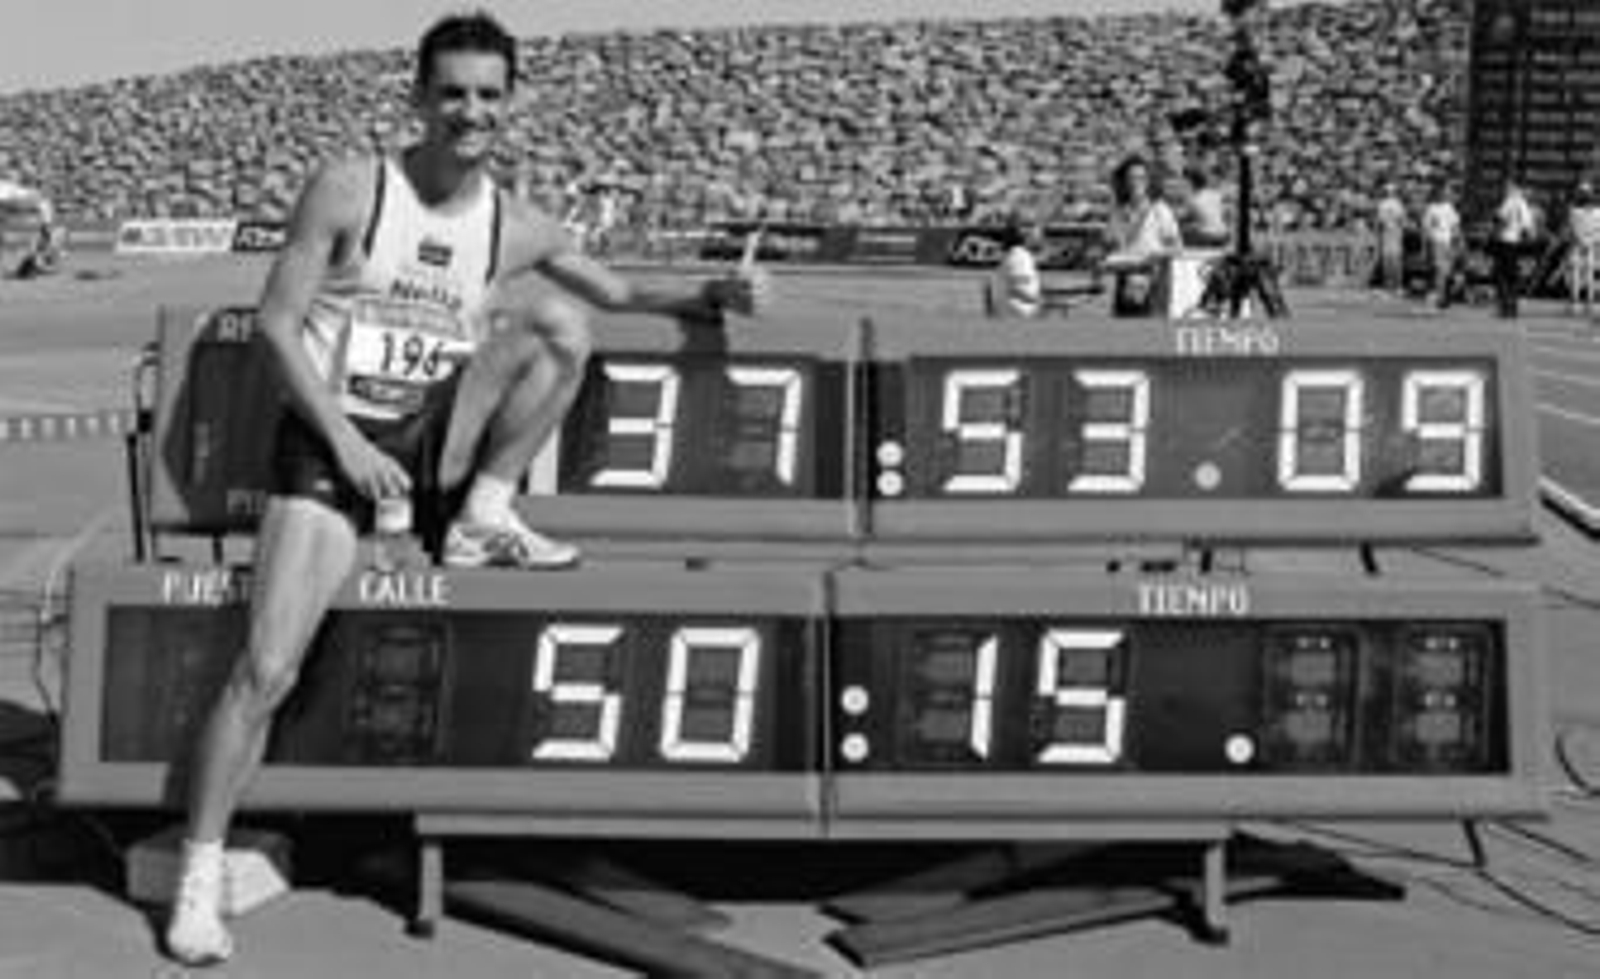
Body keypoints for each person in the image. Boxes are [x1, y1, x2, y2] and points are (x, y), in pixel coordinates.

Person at [162, 12, 770, 966]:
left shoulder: (514, 221)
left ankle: (485, 508)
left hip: (428, 450)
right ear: (418, 96)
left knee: (561, 324)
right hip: (332, 453)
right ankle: (200, 873)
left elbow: (610, 293)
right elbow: (278, 328)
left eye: (488, 95)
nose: (469, 112)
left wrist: (704, 299)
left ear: (509, 103)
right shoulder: (352, 189)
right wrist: (347, 447)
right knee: (267, 669)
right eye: (452, 93)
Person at [1102, 154, 1183, 316]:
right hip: (1124, 279)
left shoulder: (1159, 210)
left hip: (1152, 280)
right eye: (1131, 178)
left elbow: (1177, 247)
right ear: (1123, 181)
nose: (1136, 183)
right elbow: (1110, 244)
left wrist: (1154, 255)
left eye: (1141, 178)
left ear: (1149, 181)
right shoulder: (1118, 212)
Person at [1492, 178, 1536, 318]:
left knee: (1503, 275)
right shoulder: (1521, 202)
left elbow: (1501, 218)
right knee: (1512, 275)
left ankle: (1505, 305)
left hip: (1505, 240)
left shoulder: (1510, 201)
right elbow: (1527, 224)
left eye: (1507, 188)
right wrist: (1527, 235)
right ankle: (1512, 306)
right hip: (1515, 241)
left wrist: (1497, 226)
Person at [988, 220, 1044, 318]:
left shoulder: (1014, 255)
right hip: (1018, 314)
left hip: (1010, 313)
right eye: (1036, 235)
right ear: (1025, 238)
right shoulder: (1020, 256)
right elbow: (1018, 289)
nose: (1041, 238)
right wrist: (1042, 302)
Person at [1420, 183, 1462, 309]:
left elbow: (1455, 226)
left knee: (1446, 272)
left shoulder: (1450, 208)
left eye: (1447, 193)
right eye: (1444, 192)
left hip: (1447, 243)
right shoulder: (1431, 208)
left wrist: (1458, 242)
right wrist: (1424, 245)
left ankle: (1443, 296)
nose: (1445, 195)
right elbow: (1425, 228)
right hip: (1436, 242)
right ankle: (1439, 297)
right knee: (1439, 271)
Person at [1566, 180, 1600, 316]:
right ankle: (1588, 303)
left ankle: (1578, 304)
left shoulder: (1573, 211)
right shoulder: (1597, 211)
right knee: (1587, 275)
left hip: (1579, 245)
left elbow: (1572, 230)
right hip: (1589, 245)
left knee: (1578, 275)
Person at [1182, 162, 1230, 249]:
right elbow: (1221, 214)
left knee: (1183, 231)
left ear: (1191, 184)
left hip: (1208, 237)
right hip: (1224, 235)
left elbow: (1183, 217)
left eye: (1186, 184)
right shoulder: (1216, 194)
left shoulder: (1192, 199)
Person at [1375, 184, 1407, 292]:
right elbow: (1380, 220)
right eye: (1388, 191)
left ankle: (1397, 284)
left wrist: (1397, 227)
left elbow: (1402, 219)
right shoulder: (1383, 204)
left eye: (1390, 191)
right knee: (1387, 259)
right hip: (1387, 232)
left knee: (1395, 259)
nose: (1389, 193)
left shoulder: (1398, 204)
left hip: (1395, 232)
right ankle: (1389, 284)